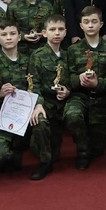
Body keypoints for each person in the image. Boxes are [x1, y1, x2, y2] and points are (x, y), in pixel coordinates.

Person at [0, 18, 51, 177]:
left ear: (19, 37)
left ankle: (45, 162)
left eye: (12, 33)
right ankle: (13, 153)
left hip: (25, 112)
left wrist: (39, 104)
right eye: (4, 34)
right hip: (0, 114)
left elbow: (36, 84)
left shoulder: (29, 59)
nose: (8, 37)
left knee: (41, 120)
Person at [65, 7, 106, 167]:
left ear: (101, 24)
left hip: (102, 98)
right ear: (80, 25)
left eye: (94, 21)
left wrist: (98, 83)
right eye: (86, 22)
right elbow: (68, 78)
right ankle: (82, 151)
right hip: (80, 96)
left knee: (98, 149)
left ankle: (92, 143)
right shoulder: (73, 50)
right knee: (73, 115)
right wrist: (79, 79)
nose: (90, 25)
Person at [27, 14, 76, 179]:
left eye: (60, 29)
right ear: (44, 33)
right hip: (46, 103)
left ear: (66, 32)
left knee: (76, 115)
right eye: (52, 29)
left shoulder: (69, 54)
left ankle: (84, 152)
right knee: (39, 120)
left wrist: (68, 90)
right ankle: (44, 162)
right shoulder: (37, 55)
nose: (57, 33)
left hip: (64, 102)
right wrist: (38, 104)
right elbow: (33, 84)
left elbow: (73, 78)